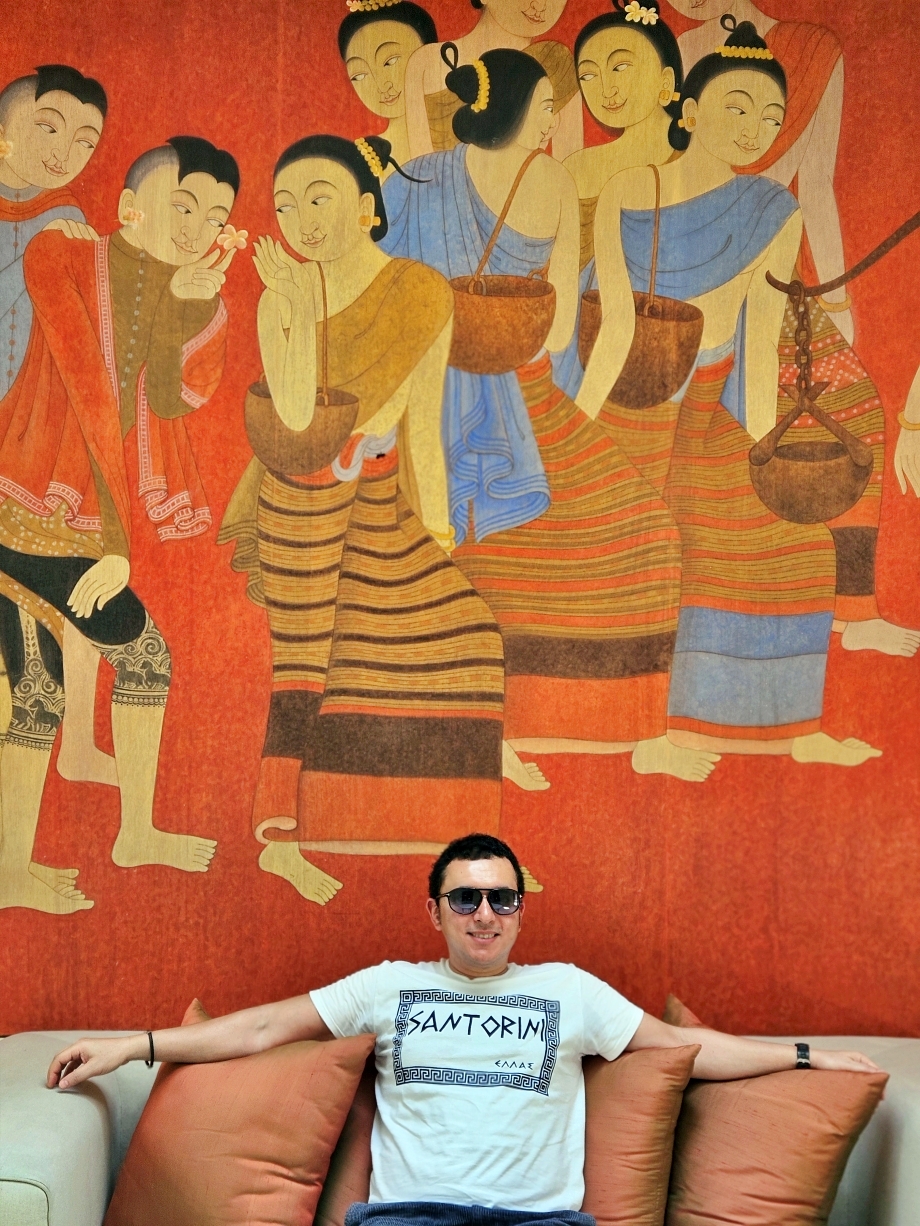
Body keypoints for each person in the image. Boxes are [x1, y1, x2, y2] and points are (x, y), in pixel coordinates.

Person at [47, 832, 881, 1225]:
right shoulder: (388, 985)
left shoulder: (570, 991)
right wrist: (134, 1046)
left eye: (502, 898)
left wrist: (807, 1057)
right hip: (411, 1222)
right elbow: (264, 1028)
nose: (485, 914)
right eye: (466, 898)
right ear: (436, 911)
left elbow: (684, 1051)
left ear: (520, 910)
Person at [382, 46, 717, 785]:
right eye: (543, 109)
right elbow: (560, 327)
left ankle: (633, 729)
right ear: (512, 110)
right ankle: (493, 729)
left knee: (576, 539)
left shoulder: (420, 177)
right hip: (474, 392)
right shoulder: (547, 181)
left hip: (490, 396)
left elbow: (386, 276)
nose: (550, 123)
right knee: (641, 533)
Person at [577, 19, 881, 768]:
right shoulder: (631, 188)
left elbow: (760, 337)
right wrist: (579, 435)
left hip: (712, 405)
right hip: (628, 401)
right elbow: (615, 326)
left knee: (793, 541)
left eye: (771, 118)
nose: (754, 130)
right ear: (687, 109)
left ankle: (787, 731)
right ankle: (644, 736)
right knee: (648, 545)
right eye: (736, 108)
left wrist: (762, 453)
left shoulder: (775, 210)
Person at [217, 134, 506, 907]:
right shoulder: (281, 296)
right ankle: (281, 839)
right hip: (300, 497)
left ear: (367, 208)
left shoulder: (420, 291)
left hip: (378, 492)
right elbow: (298, 415)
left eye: (319, 198)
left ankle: (450, 835)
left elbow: (423, 422)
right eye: (284, 207)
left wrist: (439, 532)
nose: (301, 220)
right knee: (308, 666)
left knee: (468, 632)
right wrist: (294, 310)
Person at [0, 135, 238, 914]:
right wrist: (117, 547)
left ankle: (25, 868)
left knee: (37, 694)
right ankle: (127, 834)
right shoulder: (61, 257)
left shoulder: (185, 292)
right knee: (143, 658)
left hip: (72, 517)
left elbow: (167, 399)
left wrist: (189, 304)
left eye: (215, 217)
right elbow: (91, 395)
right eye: (181, 206)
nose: (197, 228)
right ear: (130, 206)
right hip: (23, 502)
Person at [666, 0, 918, 659]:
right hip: (689, 274)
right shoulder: (675, 48)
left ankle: (854, 609)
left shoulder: (812, 48)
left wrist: (837, 301)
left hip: (779, 274)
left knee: (856, 412)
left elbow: (817, 187)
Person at [0, 64, 120, 799]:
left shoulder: (66, 221)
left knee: (77, 563)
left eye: (83, 140)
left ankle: (76, 740)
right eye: (48, 127)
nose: (63, 150)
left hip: (24, 432)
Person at [554, 0, 684, 397]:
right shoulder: (579, 168)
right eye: (588, 75)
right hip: (587, 333)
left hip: (678, 331)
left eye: (621, 66)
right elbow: (562, 270)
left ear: (666, 80)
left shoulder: (697, 159)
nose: (605, 89)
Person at [403, 0, 583, 161]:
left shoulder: (558, 65)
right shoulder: (428, 62)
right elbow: (419, 169)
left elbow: (570, 170)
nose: (540, 5)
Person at [339, 1, 439, 174]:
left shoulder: (465, 127)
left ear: (430, 53)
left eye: (390, 61)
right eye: (359, 75)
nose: (381, 86)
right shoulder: (368, 158)